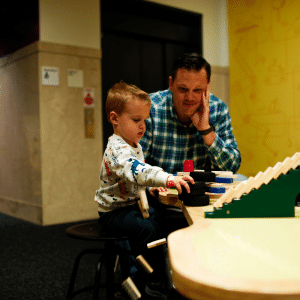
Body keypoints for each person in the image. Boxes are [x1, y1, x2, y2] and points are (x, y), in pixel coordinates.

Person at [94, 82, 194, 299]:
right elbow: (137, 170)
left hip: (130, 204)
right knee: (146, 230)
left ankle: (152, 274)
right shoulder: (117, 149)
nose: (142, 127)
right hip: (112, 213)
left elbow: (136, 180)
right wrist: (165, 178)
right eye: (136, 120)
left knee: (161, 222)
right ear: (114, 119)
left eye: (145, 120)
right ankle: (149, 280)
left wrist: (153, 188)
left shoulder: (133, 144)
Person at [139, 52, 242, 175]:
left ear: (208, 86)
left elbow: (233, 167)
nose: (190, 98)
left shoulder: (218, 109)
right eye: (183, 89)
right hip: (160, 188)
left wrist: (206, 130)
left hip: (203, 190)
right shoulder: (150, 108)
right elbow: (135, 165)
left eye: (198, 90)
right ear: (171, 84)